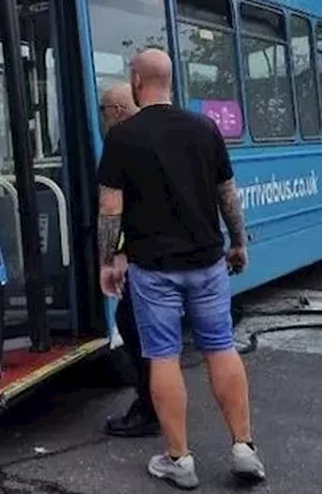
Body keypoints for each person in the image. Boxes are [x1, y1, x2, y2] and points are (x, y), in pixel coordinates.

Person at [96, 49, 265, 488]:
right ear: (170, 81)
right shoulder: (204, 128)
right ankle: (244, 447)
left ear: (136, 80)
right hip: (207, 263)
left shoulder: (123, 136)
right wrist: (239, 243)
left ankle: (179, 459)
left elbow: (110, 208)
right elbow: (228, 195)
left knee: (163, 357)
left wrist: (108, 260)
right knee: (220, 347)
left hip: (154, 270)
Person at [97, 83, 159, 438]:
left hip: (152, 261)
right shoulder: (182, 132)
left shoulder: (121, 143)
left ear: (118, 110)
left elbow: (113, 210)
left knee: (137, 327)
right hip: (198, 260)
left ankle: (150, 409)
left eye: (103, 110)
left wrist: (110, 259)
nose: (102, 119)